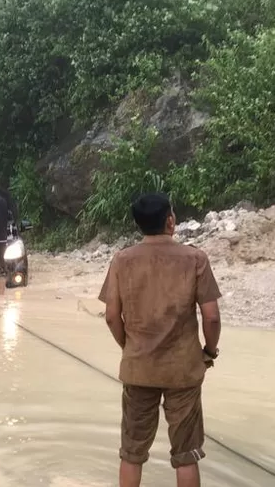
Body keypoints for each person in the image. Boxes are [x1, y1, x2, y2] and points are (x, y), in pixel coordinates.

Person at [98, 193, 222, 487]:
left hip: (138, 367)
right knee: (186, 453)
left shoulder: (122, 260)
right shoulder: (195, 258)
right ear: (170, 221)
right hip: (184, 370)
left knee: (131, 451)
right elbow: (212, 317)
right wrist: (209, 351)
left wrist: (128, 347)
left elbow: (112, 317)